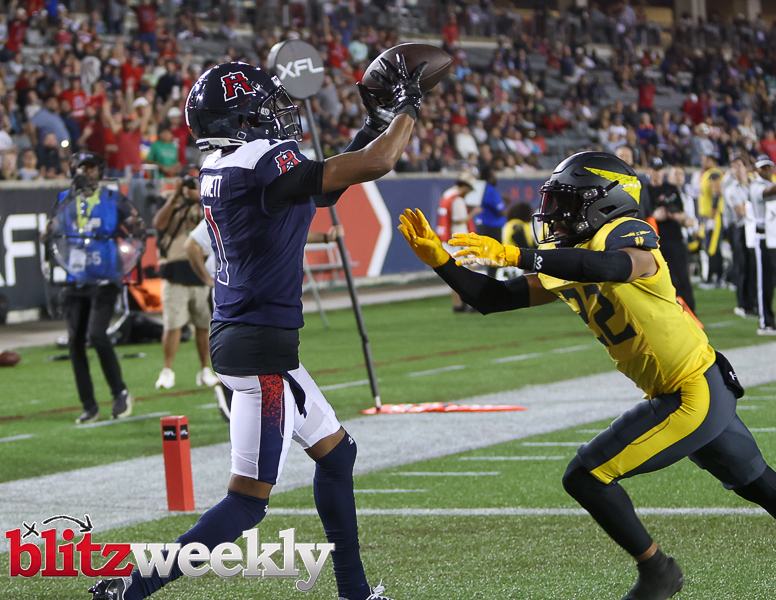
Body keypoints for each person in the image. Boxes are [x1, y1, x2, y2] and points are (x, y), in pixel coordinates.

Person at [88, 57, 425, 600]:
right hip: (260, 351)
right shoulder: (259, 160)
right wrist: (406, 108)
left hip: (258, 343)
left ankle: (356, 593)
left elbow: (321, 188)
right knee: (246, 502)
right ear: (242, 117)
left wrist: (371, 124)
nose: (276, 114)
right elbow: (377, 162)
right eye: (264, 106)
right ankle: (128, 589)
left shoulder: (229, 164)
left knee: (337, 455)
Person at [399, 151, 776, 600]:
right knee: (761, 486)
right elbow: (494, 299)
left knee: (585, 475)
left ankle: (658, 572)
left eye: (566, 203)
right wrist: (441, 261)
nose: (554, 215)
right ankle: (659, 571)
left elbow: (610, 268)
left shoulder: (628, 232)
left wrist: (520, 254)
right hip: (682, 387)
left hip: (692, 391)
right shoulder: (568, 256)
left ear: (605, 202)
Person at [184, 219, 344, 422]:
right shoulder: (225, 209)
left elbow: (290, 228)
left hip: (256, 290)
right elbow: (191, 245)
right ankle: (230, 395)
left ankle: (260, 401)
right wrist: (208, 279)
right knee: (236, 345)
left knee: (258, 346)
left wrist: (325, 237)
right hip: (230, 293)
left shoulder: (261, 209)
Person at [45, 151, 144, 424]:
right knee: (76, 344)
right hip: (75, 279)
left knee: (97, 335)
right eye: (82, 168)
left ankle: (120, 392)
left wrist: (137, 231)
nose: (87, 173)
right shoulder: (64, 201)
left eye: (92, 168)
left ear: (100, 172)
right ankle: (89, 405)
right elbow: (55, 232)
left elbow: (136, 227)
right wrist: (47, 233)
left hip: (104, 279)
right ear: (73, 170)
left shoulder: (114, 199)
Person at [152, 172, 218, 390]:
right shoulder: (170, 200)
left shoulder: (207, 202)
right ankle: (167, 370)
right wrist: (175, 196)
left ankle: (204, 369)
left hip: (201, 270)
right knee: (173, 325)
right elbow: (158, 224)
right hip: (174, 271)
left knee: (203, 325)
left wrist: (199, 196)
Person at [645, 157, 695, 311]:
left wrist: (672, 215)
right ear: (649, 171)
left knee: (682, 277)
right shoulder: (644, 191)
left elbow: (682, 214)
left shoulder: (671, 188)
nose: (657, 174)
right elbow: (642, 216)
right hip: (656, 242)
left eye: (660, 170)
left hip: (675, 239)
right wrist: (655, 216)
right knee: (662, 280)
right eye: (655, 170)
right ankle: (670, 311)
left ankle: (689, 312)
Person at [436, 170, 479, 312]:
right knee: (470, 271)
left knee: (453, 275)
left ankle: (458, 304)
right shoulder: (458, 199)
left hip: (447, 240)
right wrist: (474, 212)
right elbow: (459, 219)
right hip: (458, 240)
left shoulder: (447, 194)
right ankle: (471, 303)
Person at [722, 154, 757, 318]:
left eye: (739, 166)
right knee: (742, 267)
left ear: (747, 168)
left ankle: (754, 302)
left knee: (755, 267)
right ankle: (743, 304)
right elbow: (741, 211)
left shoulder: (754, 184)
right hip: (740, 230)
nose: (735, 169)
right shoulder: (731, 189)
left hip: (755, 228)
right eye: (733, 166)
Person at [749, 155, 776, 335]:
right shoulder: (756, 186)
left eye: (767, 167)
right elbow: (767, 193)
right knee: (764, 281)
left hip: (774, 237)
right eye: (762, 168)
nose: (765, 171)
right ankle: (764, 321)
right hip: (763, 238)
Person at [475, 166, 506, 277]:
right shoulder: (491, 190)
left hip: (482, 224)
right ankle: (491, 279)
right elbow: (501, 211)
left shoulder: (479, 188)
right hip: (493, 226)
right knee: (495, 256)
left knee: (488, 256)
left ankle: (489, 278)